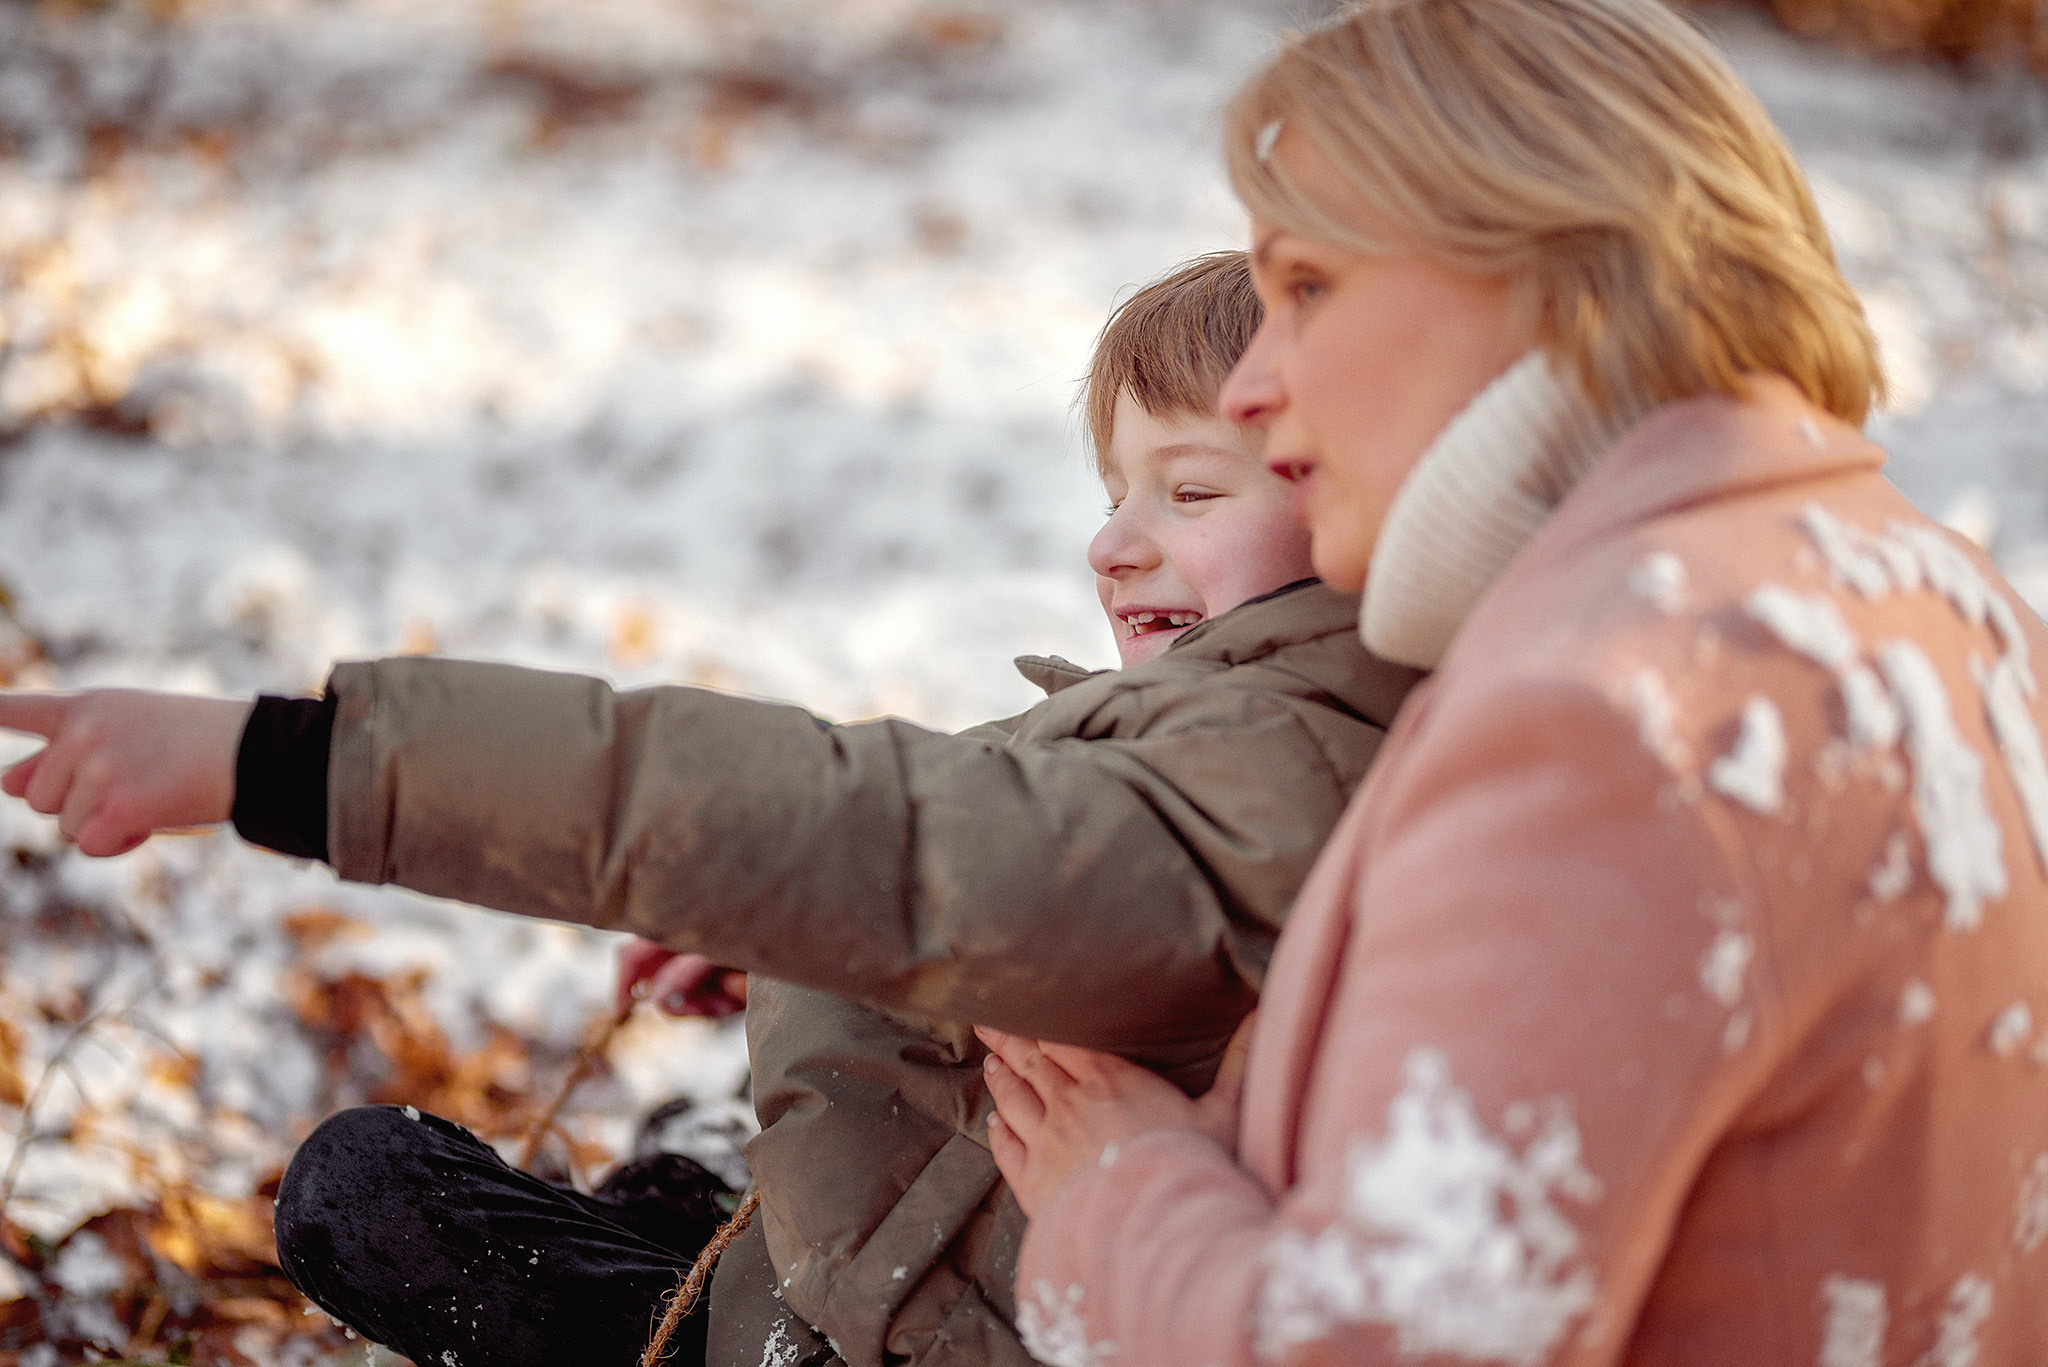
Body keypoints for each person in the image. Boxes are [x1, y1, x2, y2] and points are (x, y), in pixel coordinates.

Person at [0, 252, 1423, 1367]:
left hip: (905, 1338)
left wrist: (288, 761)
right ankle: (683, 1221)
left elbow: (875, 837)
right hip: (907, 1273)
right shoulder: (1296, 730)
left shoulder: (1267, 766)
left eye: (1190, 489)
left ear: (1365, 507)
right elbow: (1022, 908)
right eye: (1117, 489)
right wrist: (808, 949)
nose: (1112, 546)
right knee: (668, 1165)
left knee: (366, 1195)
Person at [975, 3, 2048, 1365]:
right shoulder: (1936, 590)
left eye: (1306, 288)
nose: (1252, 382)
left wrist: (1119, 1195)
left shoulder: (1610, 708)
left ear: (1543, 269)